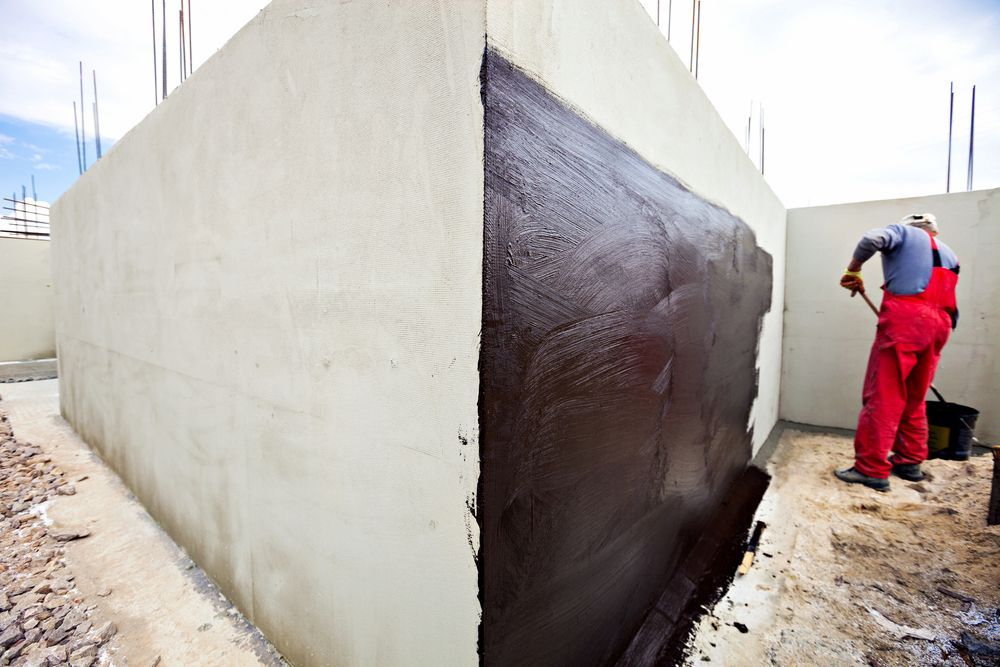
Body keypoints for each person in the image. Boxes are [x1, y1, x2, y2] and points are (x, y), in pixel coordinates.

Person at [835, 213, 959, 492]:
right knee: (915, 397)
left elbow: (871, 239)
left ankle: (871, 470)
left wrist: (854, 269)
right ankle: (909, 462)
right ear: (934, 231)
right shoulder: (950, 254)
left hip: (907, 321)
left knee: (884, 395)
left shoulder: (903, 234)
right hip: (940, 327)